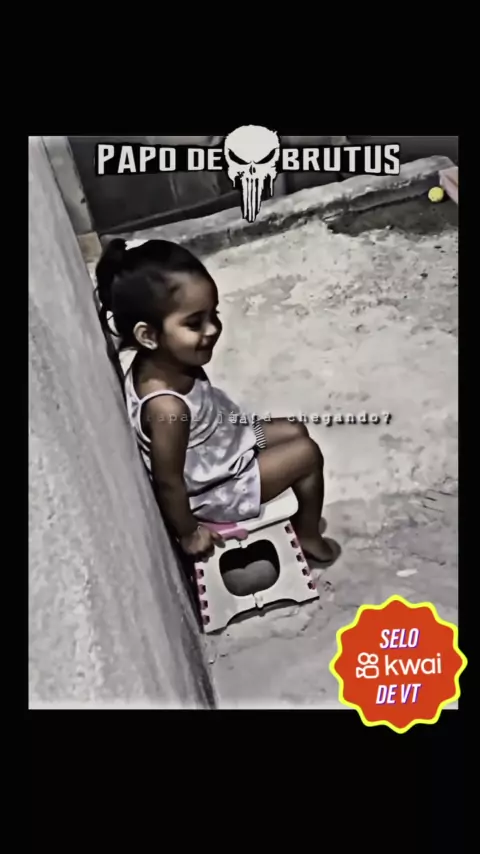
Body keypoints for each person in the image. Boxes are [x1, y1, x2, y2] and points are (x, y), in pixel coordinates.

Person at [96, 238, 336, 564]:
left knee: (293, 429)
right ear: (148, 336)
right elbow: (169, 482)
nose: (212, 329)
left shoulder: (166, 358)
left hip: (223, 445)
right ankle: (307, 533)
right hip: (217, 491)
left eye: (214, 314)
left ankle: (293, 503)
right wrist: (189, 533)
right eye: (195, 323)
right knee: (306, 454)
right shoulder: (167, 408)